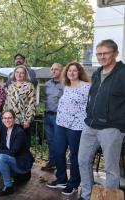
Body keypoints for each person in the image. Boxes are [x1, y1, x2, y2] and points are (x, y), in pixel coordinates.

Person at [78, 39, 125, 200]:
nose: (101, 56)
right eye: (99, 54)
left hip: (111, 128)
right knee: (82, 161)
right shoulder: (97, 73)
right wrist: (88, 113)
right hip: (90, 125)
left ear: (115, 54)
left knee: (111, 169)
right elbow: (92, 96)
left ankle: (111, 197)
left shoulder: (122, 73)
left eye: (105, 53)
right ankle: (86, 195)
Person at [46, 62, 90, 196]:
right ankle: (61, 179)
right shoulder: (66, 86)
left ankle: (73, 184)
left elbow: (90, 105)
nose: (71, 73)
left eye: (74, 71)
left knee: (74, 155)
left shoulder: (87, 86)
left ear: (79, 72)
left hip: (76, 126)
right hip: (61, 124)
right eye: (69, 70)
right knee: (58, 151)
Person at [0, 110, 34, 196]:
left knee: (1, 158)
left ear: (14, 119)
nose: (7, 120)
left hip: (22, 164)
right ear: (2, 119)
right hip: (13, 160)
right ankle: (13, 174)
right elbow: (2, 146)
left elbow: (13, 152)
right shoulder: (4, 129)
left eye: (10, 118)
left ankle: (8, 186)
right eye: (5, 118)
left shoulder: (19, 132)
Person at [3, 65, 36, 149]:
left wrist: (27, 120)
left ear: (25, 75)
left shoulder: (29, 86)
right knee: (11, 143)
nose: (19, 74)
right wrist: (4, 118)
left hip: (23, 121)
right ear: (14, 74)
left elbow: (31, 104)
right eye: (17, 72)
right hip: (11, 120)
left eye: (22, 73)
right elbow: (7, 103)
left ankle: (24, 162)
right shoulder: (10, 86)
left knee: (23, 145)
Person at [41, 63, 64, 171]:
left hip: (58, 116)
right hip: (47, 115)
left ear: (61, 71)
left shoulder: (66, 84)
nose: (53, 71)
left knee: (59, 141)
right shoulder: (47, 84)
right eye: (52, 69)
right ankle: (51, 162)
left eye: (56, 69)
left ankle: (59, 165)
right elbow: (45, 99)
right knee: (50, 140)